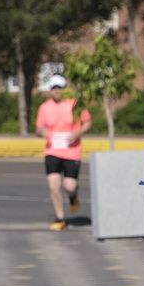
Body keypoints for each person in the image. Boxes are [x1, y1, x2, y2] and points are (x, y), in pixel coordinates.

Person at [34, 74, 91, 231]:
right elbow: (38, 128)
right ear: (50, 90)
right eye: (54, 88)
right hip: (52, 150)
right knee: (54, 185)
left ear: (65, 89)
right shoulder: (45, 107)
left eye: (60, 87)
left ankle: (74, 197)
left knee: (70, 186)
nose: (57, 91)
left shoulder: (75, 104)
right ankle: (60, 218)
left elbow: (87, 122)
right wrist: (43, 132)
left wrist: (77, 134)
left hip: (72, 151)